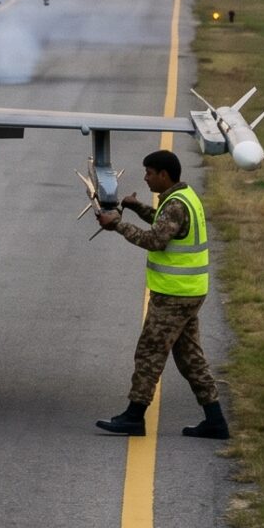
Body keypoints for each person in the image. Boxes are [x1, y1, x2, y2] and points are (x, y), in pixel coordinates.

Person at [95, 149, 228, 439]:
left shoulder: (175, 204)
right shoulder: (184, 197)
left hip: (174, 295)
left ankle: (134, 417)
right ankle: (216, 421)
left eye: (149, 173)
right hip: (189, 292)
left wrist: (117, 224)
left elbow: (156, 239)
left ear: (164, 175)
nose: (145, 178)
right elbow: (166, 224)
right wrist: (137, 207)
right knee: (190, 358)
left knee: (149, 353)